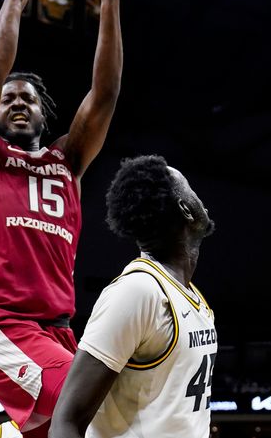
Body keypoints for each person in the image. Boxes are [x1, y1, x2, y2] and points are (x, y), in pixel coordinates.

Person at [0, 0, 124, 438]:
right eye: (8, 98)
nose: (17, 101)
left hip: (58, 331)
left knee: (97, 414)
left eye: (27, 97)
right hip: (1, 324)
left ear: (44, 114)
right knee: (101, 415)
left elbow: (106, 92)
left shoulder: (67, 162)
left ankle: (0, 436)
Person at [49, 155, 217, 438]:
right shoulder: (138, 292)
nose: (201, 198)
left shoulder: (189, 295)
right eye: (191, 188)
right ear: (186, 210)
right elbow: (65, 421)